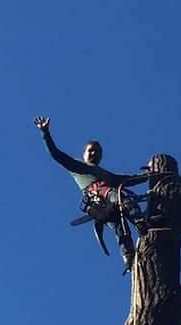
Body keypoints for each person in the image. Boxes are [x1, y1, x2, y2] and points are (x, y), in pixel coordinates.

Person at [34, 115, 148, 272]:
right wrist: (45, 133)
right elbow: (56, 154)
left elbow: (128, 179)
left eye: (97, 152)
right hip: (98, 198)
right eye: (91, 150)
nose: (94, 153)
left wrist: (149, 175)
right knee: (122, 209)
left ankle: (130, 254)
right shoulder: (78, 166)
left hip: (107, 202)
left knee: (121, 222)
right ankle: (138, 227)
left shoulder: (106, 175)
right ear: (84, 153)